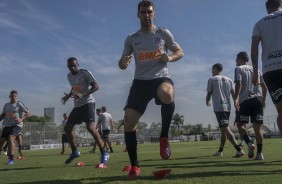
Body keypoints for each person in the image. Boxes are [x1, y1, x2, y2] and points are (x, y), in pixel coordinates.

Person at [118, 0, 184, 179]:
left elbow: (180, 52)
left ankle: (163, 138)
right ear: (137, 14)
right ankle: (135, 166)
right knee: (129, 121)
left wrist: (168, 58)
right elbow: (122, 62)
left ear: (154, 14)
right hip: (140, 83)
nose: (146, 15)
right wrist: (123, 63)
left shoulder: (163, 33)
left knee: (167, 93)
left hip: (160, 78)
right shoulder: (131, 38)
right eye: (143, 12)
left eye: (149, 12)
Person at [61, 57, 109, 168]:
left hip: (88, 103)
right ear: (68, 67)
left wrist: (83, 95)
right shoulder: (69, 76)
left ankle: (104, 153)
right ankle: (75, 152)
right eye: (70, 66)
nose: (72, 68)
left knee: (90, 128)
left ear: (78, 64)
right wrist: (69, 95)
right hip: (77, 106)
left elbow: (96, 86)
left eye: (74, 65)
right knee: (68, 128)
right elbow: (74, 88)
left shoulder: (85, 73)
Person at [251, 0, 282, 137]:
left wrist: (256, 73)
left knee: (281, 111)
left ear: (267, 8)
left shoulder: (259, 23)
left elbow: (254, 50)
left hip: (270, 71)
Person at [206, 63, 244, 157]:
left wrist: (207, 101)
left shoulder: (212, 79)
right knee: (223, 130)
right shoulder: (229, 80)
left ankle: (239, 150)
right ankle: (220, 151)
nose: (211, 71)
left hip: (219, 108)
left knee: (226, 129)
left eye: (212, 69)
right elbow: (233, 93)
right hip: (228, 107)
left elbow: (209, 93)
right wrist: (235, 101)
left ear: (215, 69)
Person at [234, 52, 267, 160]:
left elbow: (239, 83)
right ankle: (260, 154)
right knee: (258, 129)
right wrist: (263, 100)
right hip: (258, 99)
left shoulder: (239, 69)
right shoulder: (257, 69)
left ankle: (248, 143)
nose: (235, 62)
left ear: (240, 59)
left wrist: (235, 98)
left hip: (245, 100)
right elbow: (264, 87)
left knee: (240, 125)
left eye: (236, 59)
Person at [0, 90, 30, 165]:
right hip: (7, 125)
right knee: (1, 142)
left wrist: (21, 119)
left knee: (11, 137)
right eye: (12, 96)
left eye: (15, 96)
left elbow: (28, 112)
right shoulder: (6, 105)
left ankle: (11, 158)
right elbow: (3, 115)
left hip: (16, 125)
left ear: (16, 96)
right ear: (9, 96)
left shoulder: (19, 103)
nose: (13, 97)